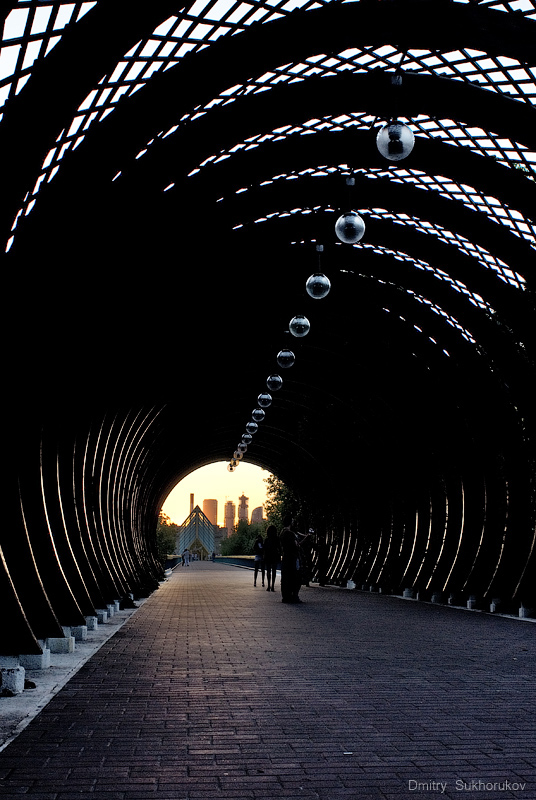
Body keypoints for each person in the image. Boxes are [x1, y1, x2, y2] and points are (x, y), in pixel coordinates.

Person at [280, 515, 309, 603]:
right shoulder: (290, 534)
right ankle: (294, 596)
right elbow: (297, 545)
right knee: (295, 576)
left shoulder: (282, 532)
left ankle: (286, 596)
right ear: (290, 522)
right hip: (292, 558)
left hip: (285, 557)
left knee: (285, 577)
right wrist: (306, 539)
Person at [263, 525, 281, 592]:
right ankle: (273, 586)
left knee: (268, 571)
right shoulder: (277, 539)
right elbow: (279, 548)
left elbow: (264, 549)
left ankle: (268, 586)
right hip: (274, 556)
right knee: (274, 571)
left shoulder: (267, 539)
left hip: (268, 556)